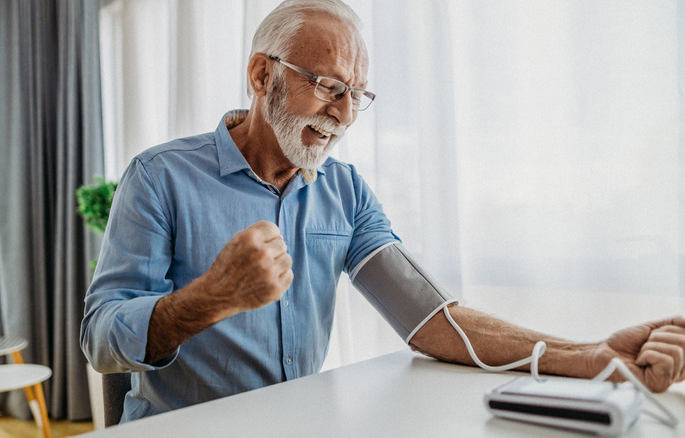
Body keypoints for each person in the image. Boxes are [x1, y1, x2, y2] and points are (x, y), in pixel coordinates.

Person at [81, 0, 685, 424]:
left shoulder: (345, 190)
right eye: (325, 85)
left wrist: (591, 358)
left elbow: (430, 319)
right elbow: (99, 339)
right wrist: (211, 296)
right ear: (261, 74)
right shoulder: (159, 178)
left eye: (355, 95)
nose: (343, 115)